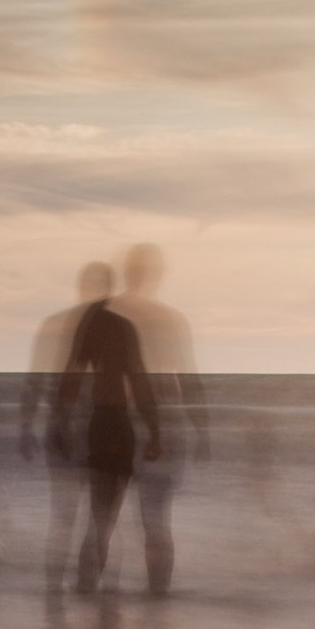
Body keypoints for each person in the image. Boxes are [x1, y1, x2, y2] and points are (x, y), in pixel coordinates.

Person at [50, 278, 162, 594]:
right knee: (107, 515)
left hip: (101, 424)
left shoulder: (89, 327)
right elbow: (139, 379)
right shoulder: (122, 328)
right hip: (118, 423)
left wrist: (61, 421)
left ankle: (89, 586)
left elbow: (72, 376)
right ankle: (98, 588)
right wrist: (154, 430)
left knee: (99, 514)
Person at [108, 244, 209, 595]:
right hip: (165, 424)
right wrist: (202, 431)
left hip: (118, 424)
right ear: (157, 275)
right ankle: (157, 599)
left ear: (126, 271)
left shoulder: (110, 315)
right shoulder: (170, 319)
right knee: (155, 521)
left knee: (106, 519)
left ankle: (106, 608)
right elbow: (189, 379)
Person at [21, 262, 110, 592]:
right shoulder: (101, 330)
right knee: (93, 518)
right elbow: (35, 381)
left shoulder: (55, 324)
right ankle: (83, 593)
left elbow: (34, 382)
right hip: (87, 432)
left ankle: (58, 594)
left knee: (67, 517)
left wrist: (27, 427)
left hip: (71, 431)